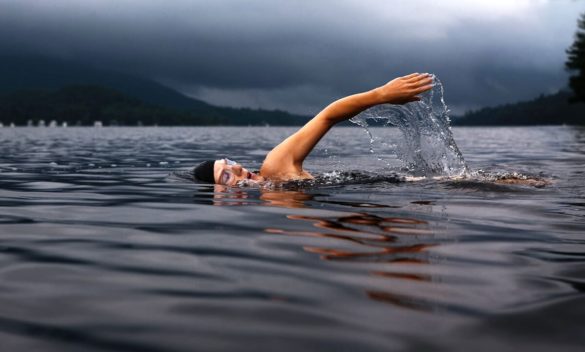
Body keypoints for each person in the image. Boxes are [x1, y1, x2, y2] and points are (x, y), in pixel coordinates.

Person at [193, 73, 434, 186]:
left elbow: (327, 116)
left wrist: (381, 95)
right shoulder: (272, 202)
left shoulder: (274, 168)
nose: (236, 167)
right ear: (220, 197)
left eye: (229, 162)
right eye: (226, 175)